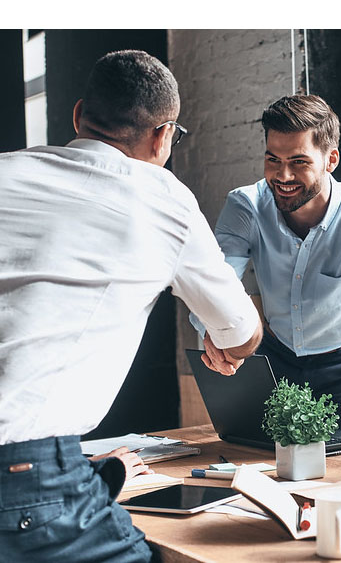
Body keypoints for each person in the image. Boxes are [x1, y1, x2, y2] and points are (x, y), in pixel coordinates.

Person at [0, 50, 262, 562]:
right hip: (27, 477)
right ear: (164, 136)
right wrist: (223, 340)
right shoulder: (162, 197)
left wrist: (91, 472)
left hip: (45, 468)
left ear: (78, 116)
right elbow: (241, 334)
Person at [197, 94, 341, 421]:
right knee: (262, 463)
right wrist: (215, 335)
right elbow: (212, 282)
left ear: (330, 159)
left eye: (299, 162)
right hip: (275, 359)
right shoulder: (246, 206)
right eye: (273, 160)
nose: (283, 176)